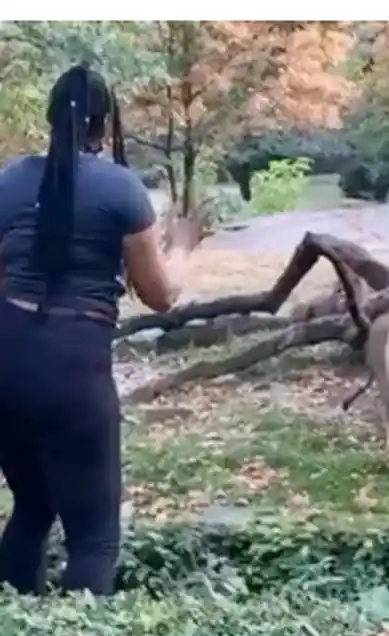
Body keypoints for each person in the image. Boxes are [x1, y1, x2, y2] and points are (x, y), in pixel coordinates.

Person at [0, 63, 197, 596]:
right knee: (94, 539)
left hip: (6, 360)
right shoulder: (120, 189)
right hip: (73, 368)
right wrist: (182, 244)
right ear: (103, 125)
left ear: (49, 119)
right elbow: (160, 294)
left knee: (33, 505)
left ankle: (16, 618)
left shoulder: (10, 180)